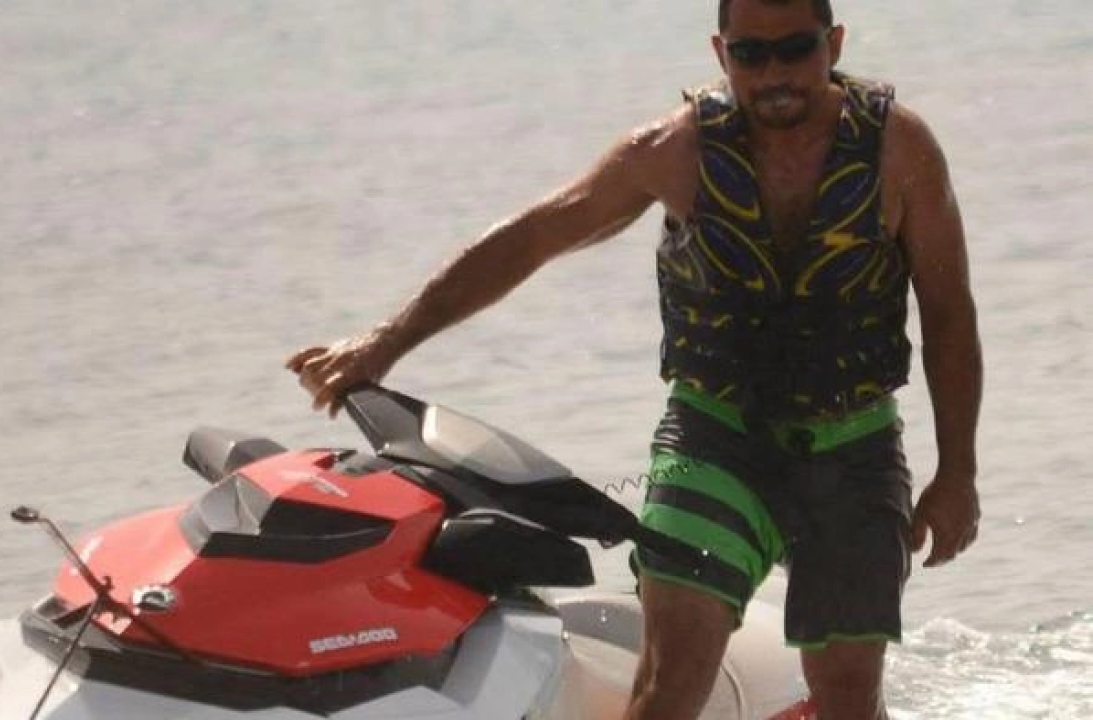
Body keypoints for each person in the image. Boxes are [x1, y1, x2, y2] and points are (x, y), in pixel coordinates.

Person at [286, 0, 982, 717]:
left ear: (833, 44)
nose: (773, 73)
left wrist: (957, 472)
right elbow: (533, 238)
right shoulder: (676, 151)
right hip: (715, 441)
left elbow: (949, 311)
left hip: (853, 450)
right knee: (667, 688)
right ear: (721, 54)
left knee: (848, 698)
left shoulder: (899, 151)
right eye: (750, 55)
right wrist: (386, 341)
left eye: (795, 50)